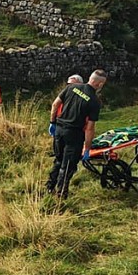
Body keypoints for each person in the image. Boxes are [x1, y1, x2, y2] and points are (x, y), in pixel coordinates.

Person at [47, 69, 107, 197]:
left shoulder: (72, 87)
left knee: (58, 160)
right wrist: (87, 148)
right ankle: (61, 195)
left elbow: (55, 104)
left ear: (90, 78)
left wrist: (52, 122)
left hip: (59, 129)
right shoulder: (94, 101)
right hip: (74, 134)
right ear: (100, 84)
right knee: (67, 166)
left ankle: (49, 187)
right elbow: (90, 128)